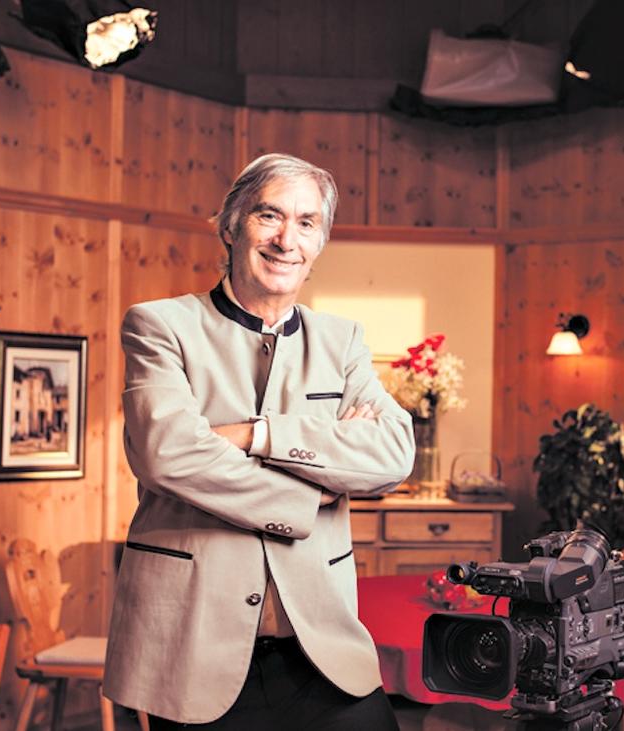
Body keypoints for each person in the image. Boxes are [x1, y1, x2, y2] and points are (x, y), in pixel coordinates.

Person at [103, 153, 415, 730]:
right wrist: (311, 493)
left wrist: (258, 435)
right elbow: (167, 455)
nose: (286, 240)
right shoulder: (159, 326)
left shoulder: (342, 341)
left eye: (306, 223)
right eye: (268, 216)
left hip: (323, 650)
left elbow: (393, 453)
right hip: (193, 654)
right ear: (230, 226)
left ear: (319, 242)